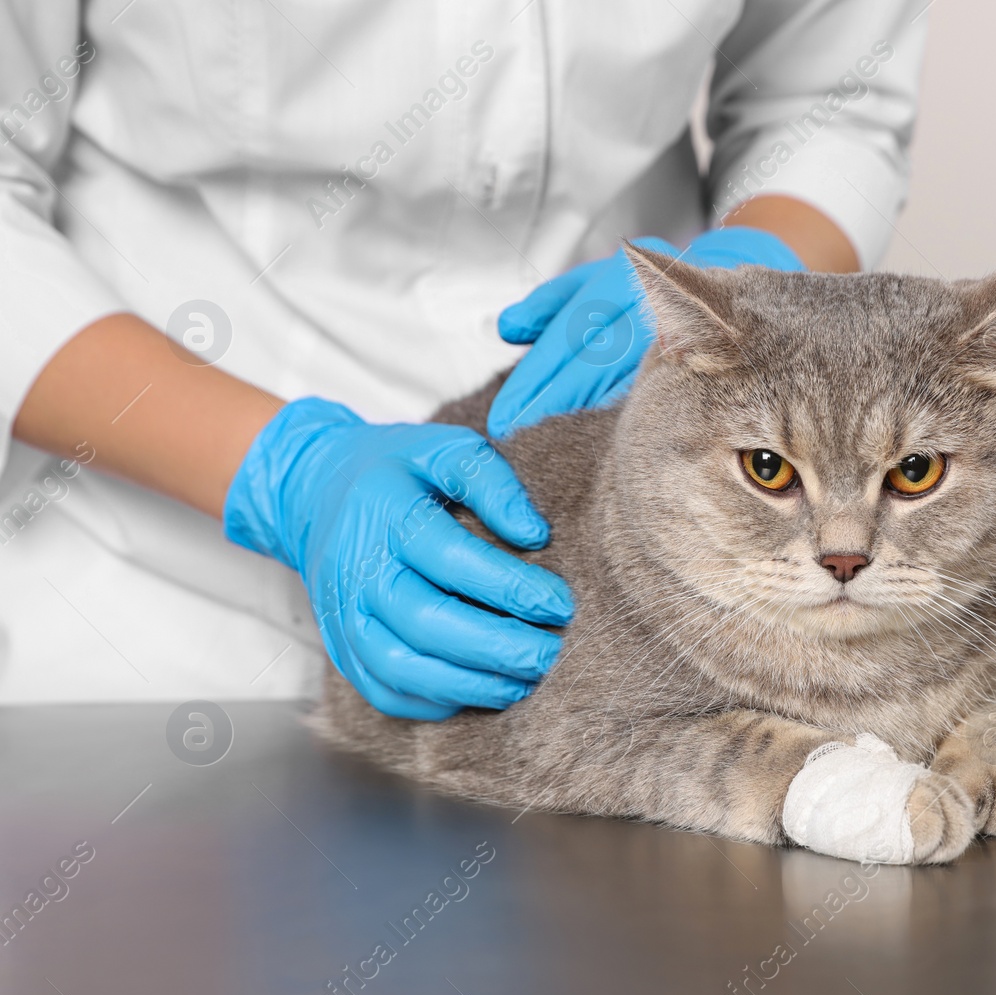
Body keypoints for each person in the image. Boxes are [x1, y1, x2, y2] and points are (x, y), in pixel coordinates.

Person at [0, 2, 926, 713]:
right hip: (156, 603)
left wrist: (748, 278)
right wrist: (288, 475)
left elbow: (830, 98)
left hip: (635, 584)